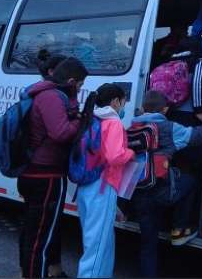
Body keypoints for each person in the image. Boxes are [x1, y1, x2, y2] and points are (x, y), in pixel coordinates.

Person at [131, 90, 202, 277]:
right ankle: (180, 228)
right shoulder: (170, 128)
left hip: (138, 192)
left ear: (143, 108)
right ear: (165, 109)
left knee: (148, 244)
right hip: (162, 191)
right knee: (191, 181)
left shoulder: (132, 126)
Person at [17, 57, 88, 279]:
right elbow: (61, 133)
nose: (80, 88)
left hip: (33, 171)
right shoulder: (51, 97)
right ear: (70, 80)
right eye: (80, 84)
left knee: (32, 231)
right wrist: (81, 121)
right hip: (46, 175)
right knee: (40, 239)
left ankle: (26, 273)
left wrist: (73, 100)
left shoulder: (43, 93)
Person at [77, 83, 134, 278]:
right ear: (116, 101)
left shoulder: (91, 118)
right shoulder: (113, 122)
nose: (123, 107)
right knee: (98, 244)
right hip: (103, 185)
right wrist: (131, 152)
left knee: (98, 239)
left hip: (85, 186)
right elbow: (115, 156)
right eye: (123, 102)